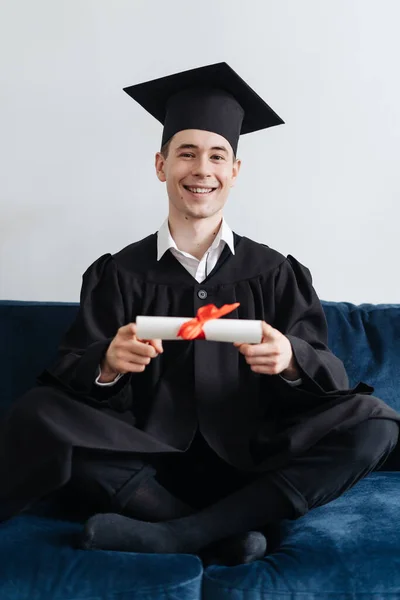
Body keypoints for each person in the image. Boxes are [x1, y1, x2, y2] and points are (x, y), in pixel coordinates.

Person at [1, 62, 400, 566]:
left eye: (217, 155)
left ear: (235, 171)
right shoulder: (117, 274)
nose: (202, 169)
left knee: (377, 423)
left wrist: (291, 358)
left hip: (255, 456)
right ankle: (227, 533)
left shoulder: (276, 272)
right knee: (38, 415)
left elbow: (329, 372)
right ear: (160, 165)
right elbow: (70, 374)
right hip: (147, 458)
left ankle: (179, 534)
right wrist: (106, 364)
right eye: (186, 153)